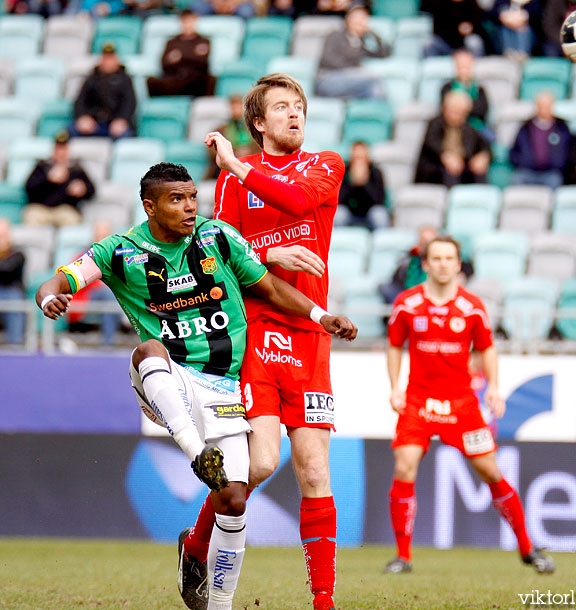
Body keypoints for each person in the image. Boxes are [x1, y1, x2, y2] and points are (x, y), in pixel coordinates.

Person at [35, 162, 357, 610]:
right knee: (149, 349)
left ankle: (219, 603)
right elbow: (63, 278)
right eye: (176, 199)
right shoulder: (120, 250)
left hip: (224, 386)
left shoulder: (217, 237)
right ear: (149, 206)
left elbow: (269, 287)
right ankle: (196, 455)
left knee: (233, 499)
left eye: (192, 197)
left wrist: (322, 316)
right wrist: (52, 296)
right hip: (169, 379)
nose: (189, 207)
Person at [180, 73, 347, 610]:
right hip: (256, 330)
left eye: (298, 105)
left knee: (316, 468)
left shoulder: (325, 164)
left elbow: (298, 203)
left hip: (310, 334)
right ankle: (197, 544)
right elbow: (218, 253)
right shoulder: (232, 185)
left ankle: (323, 601)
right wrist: (267, 256)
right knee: (258, 464)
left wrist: (236, 164)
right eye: (281, 107)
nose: (294, 114)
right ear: (258, 123)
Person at [384, 235, 555, 575]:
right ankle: (403, 556)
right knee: (405, 466)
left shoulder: (472, 306)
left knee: (490, 470)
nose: (444, 264)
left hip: (462, 403)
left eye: (450, 258)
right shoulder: (407, 303)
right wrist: (395, 388)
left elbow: (487, 348)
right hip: (418, 400)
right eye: (437, 258)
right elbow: (394, 346)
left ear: (458, 265)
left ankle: (526, 547)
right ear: (427, 264)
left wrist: (493, 388)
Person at [315, 1, 390, 101]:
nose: (360, 21)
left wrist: (371, 32)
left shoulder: (361, 43)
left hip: (349, 81)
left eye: (363, 18)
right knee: (373, 78)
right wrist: (353, 70)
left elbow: (383, 53)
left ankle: (373, 113)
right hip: (328, 78)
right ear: (348, 19)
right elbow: (328, 59)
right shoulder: (335, 35)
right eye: (357, 17)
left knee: (373, 90)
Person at [415, 89, 491, 186]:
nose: (457, 117)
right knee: (451, 169)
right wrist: (446, 156)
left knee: (479, 170)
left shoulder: (469, 128)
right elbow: (432, 144)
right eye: (454, 112)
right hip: (436, 171)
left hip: (463, 171)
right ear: (445, 109)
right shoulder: (434, 124)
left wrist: (483, 156)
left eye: (461, 113)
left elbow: (485, 145)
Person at [23, 130, 96, 228]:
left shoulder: (76, 169)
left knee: (71, 219)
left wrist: (83, 190)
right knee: (32, 216)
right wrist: (48, 179)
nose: (61, 153)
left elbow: (92, 191)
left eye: (64, 149)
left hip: (65, 209)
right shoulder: (42, 166)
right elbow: (28, 188)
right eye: (58, 149)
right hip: (41, 208)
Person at [68, 43, 137, 140]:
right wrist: (83, 117)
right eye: (105, 58)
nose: (108, 62)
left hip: (114, 124)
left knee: (125, 135)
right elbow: (80, 101)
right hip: (94, 124)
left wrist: (122, 119)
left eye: (110, 58)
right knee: (71, 130)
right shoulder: (91, 79)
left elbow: (130, 103)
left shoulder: (125, 80)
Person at [509, 90, 572, 189]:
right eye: (541, 106)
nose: (544, 109)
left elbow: (569, 149)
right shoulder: (525, 128)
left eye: (547, 106)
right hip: (527, 172)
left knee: (556, 180)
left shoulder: (562, 127)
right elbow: (514, 151)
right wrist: (522, 162)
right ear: (536, 107)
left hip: (551, 173)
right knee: (517, 179)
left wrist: (559, 164)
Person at [146, 10, 216, 98]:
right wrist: (192, 55)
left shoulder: (203, 41)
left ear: (195, 22)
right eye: (185, 22)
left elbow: (203, 63)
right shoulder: (172, 42)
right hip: (176, 78)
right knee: (152, 81)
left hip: (195, 80)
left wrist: (180, 57)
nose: (188, 25)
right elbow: (164, 64)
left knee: (210, 79)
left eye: (190, 22)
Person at [439, 49, 492, 141]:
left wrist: (460, 107)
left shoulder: (479, 89)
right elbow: (444, 109)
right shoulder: (447, 87)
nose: (463, 71)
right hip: (452, 125)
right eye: (460, 68)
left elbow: (482, 110)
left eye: (466, 68)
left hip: (475, 127)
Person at [336, 141, 389, 230]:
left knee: (380, 214)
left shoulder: (376, 173)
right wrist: (352, 183)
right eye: (356, 158)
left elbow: (380, 201)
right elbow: (338, 200)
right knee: (338, 214)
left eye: (361, 158)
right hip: (350, 214)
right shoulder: (343, 172)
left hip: (369, 214)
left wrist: (365, 183)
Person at [205, 94, 260, 180]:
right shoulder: (220, 130)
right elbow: (212, 151)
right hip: (225, 169)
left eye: (239, 106)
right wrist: (232, 154)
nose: (236, 110)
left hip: (251, 168)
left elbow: (261, 148)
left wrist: (248, 153)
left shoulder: (256, 129)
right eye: (233, 106)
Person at [422, 0, 490, 58]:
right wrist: (457, 30)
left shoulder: (471, 3)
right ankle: (432, 69)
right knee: (428, 42)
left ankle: (476, 67)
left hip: (465, 45)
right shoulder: (440, 4)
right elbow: (437, 30)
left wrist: (470, 28)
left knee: (474, 41)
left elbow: (480, 25)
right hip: (447, 45)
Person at [0, 219, 25, 346]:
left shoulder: (18, 254)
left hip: (10, 291)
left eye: (3, 236)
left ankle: (15, 344)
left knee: (14, 298)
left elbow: (7, 269)